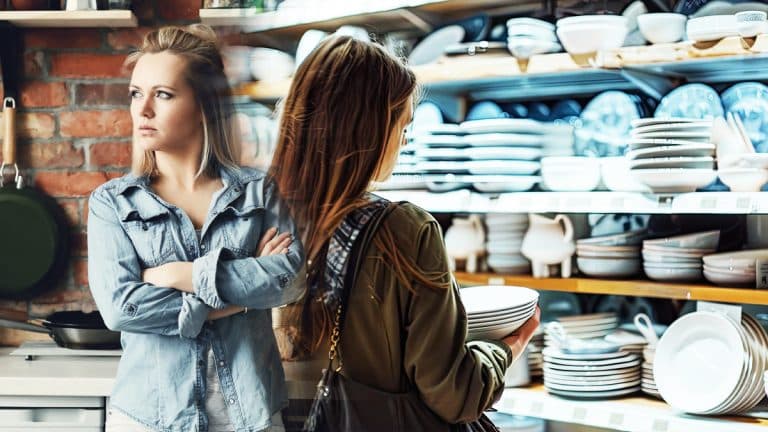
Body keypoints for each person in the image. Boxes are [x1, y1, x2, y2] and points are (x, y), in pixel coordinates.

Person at [269, 35, 540, 431]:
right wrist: (505, 348)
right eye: (402, 125)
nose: (404, 140)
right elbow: (454, 394)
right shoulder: (403, 230)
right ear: (369, 130)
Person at [87, 24, 304, 432]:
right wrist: (237, 302)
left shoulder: (257, 193)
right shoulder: (112, 203)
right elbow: (121, 307)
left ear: (205, 104)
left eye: (162, 94)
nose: (143, 109)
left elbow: (288, 280)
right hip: (148, 419)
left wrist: (179, 276)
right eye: (136, 93)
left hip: (250, 418)